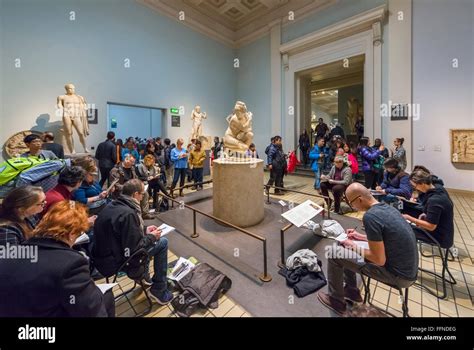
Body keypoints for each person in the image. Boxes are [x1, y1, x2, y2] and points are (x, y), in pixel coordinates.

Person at [317, 182, 418, 315]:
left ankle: (336, 301)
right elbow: (387, 238)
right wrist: (360, 237)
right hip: (409, 270)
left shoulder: (370, 217)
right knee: (345, 248)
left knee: (334, 253)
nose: (352, 206)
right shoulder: (388, 208)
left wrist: (353, 246)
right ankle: (352, 291)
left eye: (351, 203)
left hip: (397, 275)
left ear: (359, 199)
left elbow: (379, 260)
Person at [0, 201, 115, 317]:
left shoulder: (11, 253)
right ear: (71, 234)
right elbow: (90, 310)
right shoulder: (71, 263)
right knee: (105, 296)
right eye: (79, 233)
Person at [93, 179, 173, 304]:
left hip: (102, 257)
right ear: (135, 194)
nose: (142, 198)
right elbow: (134, 248)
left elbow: (123, 233)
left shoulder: (113, 205)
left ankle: (145, 277)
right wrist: (152, 237)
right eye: (142, 194)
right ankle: (159, 290)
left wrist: (145, 230)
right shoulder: (129, 214)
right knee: (162, 242)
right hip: (116, 261)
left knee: (152, 240)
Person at [403, 169, 454, 250]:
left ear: (422, 183)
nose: (415, 189)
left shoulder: (434, 200)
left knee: (404, 229)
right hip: (446, 233)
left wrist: (409, 218)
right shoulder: (438, 188)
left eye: (414, 186)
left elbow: (431, 227)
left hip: (440, 238)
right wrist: (425, 214)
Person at [109, 154, 155, 220]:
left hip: (132, 189)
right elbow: (115, 185)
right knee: (135, 196)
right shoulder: (116, 170)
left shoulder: (132, 168)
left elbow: (136, 178)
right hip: (122, 191)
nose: (133, 164)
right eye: (131, 162)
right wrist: (129, 187)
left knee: (144, 193)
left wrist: (140, 183)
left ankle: (144, 213)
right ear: (126, 160)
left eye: (133, 162)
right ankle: (134, 215)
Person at [56, 83, 90, 154]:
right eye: (70, 88)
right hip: (67, 115)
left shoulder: (79, 97)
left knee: (81, 133)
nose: (72, 90)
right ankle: (72, 150)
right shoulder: (62, 97)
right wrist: (61, 108)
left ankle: (85, 148)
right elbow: (59, 104)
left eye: (73, 88)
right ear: (66, 89)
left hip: (76, 115)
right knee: (69, 133)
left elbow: (84, 105)